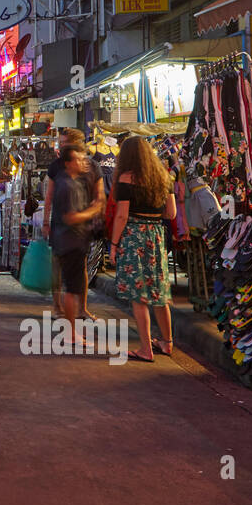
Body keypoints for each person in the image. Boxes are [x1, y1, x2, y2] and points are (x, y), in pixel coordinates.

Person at [109, 136, 178, 362]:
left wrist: (114, 245)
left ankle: (146, 348)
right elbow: (172, 213)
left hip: (134, 237)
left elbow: (121, 215)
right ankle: (167, 344)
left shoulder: (126, 179)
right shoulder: (163, 177)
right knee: (159, 292)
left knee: (139, 296)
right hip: (156, 236)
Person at [45, 128, 104, 319]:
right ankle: (57, 307)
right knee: (57, 268)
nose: (61, 146)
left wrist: (96, 211)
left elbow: (100, 195)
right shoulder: (57, 167)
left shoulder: (93, 167)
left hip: (82, 228)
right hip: (61, 225)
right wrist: (46, 221)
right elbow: (49, 196)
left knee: (81, 269)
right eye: (60, 143)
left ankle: (82, 308)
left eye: (64, 143)